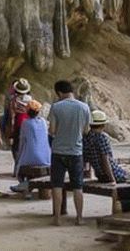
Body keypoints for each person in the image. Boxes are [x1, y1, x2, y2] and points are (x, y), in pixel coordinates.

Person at [49, 80, 91, 226]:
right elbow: (86, 130)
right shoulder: (84, 107)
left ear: (59, 93)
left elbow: (52, 130)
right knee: (78, 186)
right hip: (76, 151)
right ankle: (79, 217)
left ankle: (57, 218)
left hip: (58, 151)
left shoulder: (56, 107)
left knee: (57, 185)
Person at [10, 100, 50, 199]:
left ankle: (25, 187)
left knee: (20, 169)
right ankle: (27, 186)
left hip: (32, 156)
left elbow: (22, 141)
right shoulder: (43, 122)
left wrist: (18, 157)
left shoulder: (26, 123)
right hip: (46, 157)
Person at [83, 110, 130, 184]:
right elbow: (105, 160)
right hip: (111, 173)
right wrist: (112, 179)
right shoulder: (102, 137)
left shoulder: (86, 138)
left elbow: (86, 159)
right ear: (103, 125)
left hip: (100, 175)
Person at [9, 78, 32, 170]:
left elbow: (12, 114)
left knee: (16, 145)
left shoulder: (14, 100)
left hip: (18, 121)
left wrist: (11, 127)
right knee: (26, 144)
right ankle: (25, 165)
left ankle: (17, 165)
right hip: (28, 121)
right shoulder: (30, 99)